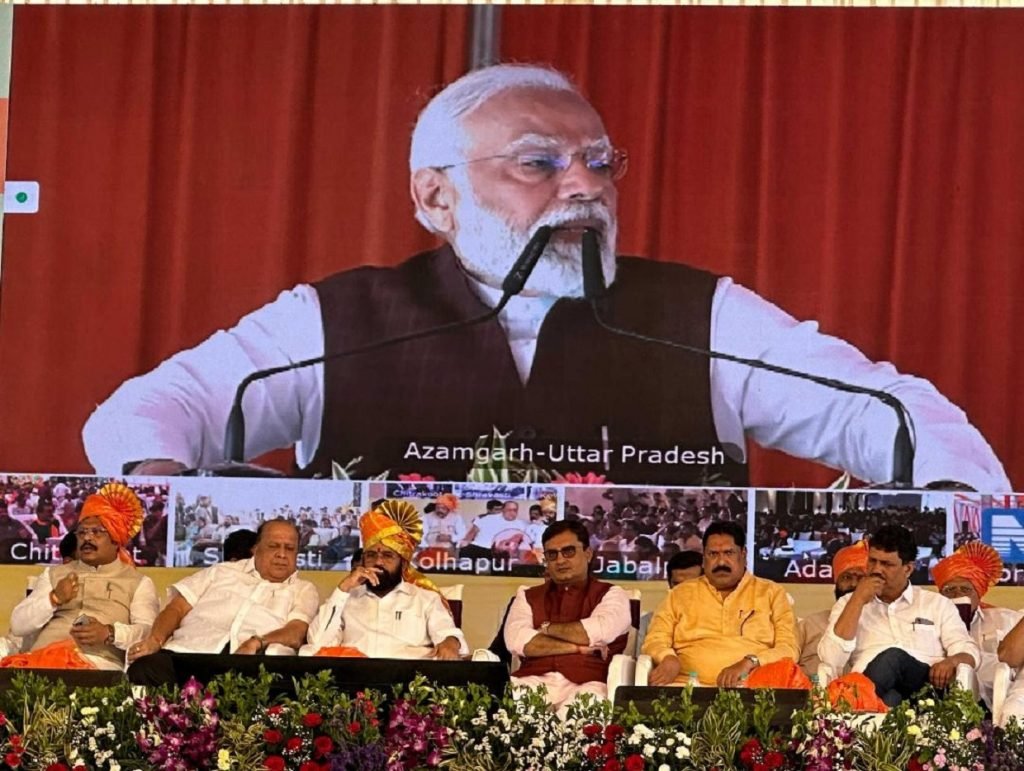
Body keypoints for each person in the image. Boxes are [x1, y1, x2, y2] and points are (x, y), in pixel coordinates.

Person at [80, 64, 1009, 491]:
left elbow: (893, 413)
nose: (584, 187)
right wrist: (165, 492)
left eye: (600, 163)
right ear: (435, 196)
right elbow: (152, 411)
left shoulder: (703, 315)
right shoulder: (338, 318)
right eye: (540, 163)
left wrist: (957, 505)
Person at [126, 519, 319, 685]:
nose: (282, 554)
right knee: (145, 668)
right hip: (188, 652)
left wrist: (258, 642)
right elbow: (177, 608)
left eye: (289, 549)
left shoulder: (303, 589)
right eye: (274, 546)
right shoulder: (221, 572)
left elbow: (297, 632)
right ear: (256, 549)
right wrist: (155, 640)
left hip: (249, 663)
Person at [817, 524, 979, 707]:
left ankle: (850, 708)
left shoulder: (936, 604)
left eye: (887, 564)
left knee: (893, 657)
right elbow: (830, 658)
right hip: (881, 694)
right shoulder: (848, 604)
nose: (876, 569)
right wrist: (858, 600)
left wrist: (953, 661)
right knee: (892, 698)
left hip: (926, 691)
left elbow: (969, 651)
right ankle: (868, 708)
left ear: (908, 569)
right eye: (872, 561)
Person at [5, 483, 158, 670]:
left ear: (115, 539)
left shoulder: (137, 582)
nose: (87, 538)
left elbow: (148, 632)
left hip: (97, 666)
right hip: (41, 661)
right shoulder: (55, 574)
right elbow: (18, 625)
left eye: (97, 532)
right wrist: (53, 599)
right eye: (82, 532)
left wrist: (110, 633)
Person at [303, 500, 466, 659]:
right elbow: (317, 643)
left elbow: (447, 634)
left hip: (408, 675)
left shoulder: (425, 599)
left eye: (388, 555)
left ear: (403, 563)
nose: (379, 562)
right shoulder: (345, 599)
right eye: (371, 555)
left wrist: (450, 642)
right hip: (355, 674)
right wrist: (343, 589)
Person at [643, 521, 800, 687]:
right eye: (713, 554)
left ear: (743, 554)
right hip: (687, 686)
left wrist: (750, 662)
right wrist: (667, 657)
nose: (721, 562)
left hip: (753, 688)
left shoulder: (771, 593)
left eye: (728, 553)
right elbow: (655, 639)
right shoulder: (680, 594)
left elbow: (789, 649)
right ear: (704, 557)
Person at [503, 519, 631, 711]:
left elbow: (597, 631)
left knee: (588, 709)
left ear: (588, 554)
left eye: (568, 551)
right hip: (532, 679)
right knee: (503, 706)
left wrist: (545, 629)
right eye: (552, 554)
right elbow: (517, 640)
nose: (560, 560)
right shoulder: (527, 595)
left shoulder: (612, 594)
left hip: (588, 682)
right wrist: (577, 648)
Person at [933, 542, 1021, 708]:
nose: (957, 594)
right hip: (947, 703)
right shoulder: (928, 623)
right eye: (949, 590)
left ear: (978, 593)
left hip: (1001, 702)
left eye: (965, 590)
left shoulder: (1006, 619)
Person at [797, 540, 868, 678]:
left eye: (860, 578)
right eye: (846, 577)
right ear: (836, 583)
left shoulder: (880, 626)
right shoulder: (810, 625)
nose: (853, 584)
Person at [458, 500, 528, 563]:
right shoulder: (485, 518)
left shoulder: (521, 524)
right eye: (509, 510)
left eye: (514, 510)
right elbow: (471, 534)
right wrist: (465, 542)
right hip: (479, 547)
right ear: (503, 510)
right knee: (466, 551)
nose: (512, 512)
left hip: (500, 551)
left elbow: (523, 541)